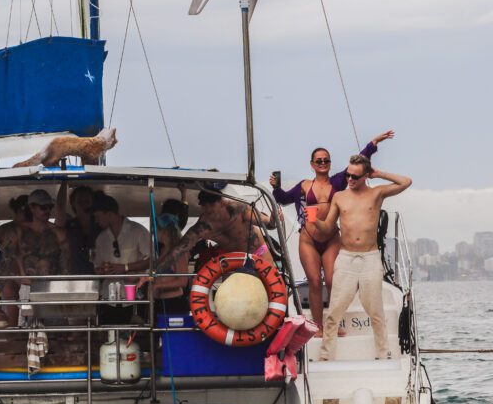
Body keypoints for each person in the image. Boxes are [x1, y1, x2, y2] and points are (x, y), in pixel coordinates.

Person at [270, 131, 394, 333]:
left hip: (331, 238)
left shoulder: (337, 181)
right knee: (315, 283)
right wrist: (275, 187)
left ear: (329, 162)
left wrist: (373, 143)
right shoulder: (304, 185)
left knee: (332, 281)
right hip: (308, 239)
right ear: (312, 164)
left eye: (326, 160)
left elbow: (359, 163)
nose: (322, 163)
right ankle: (318, 327)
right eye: (318, 160)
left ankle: (333, 324)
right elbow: (282, 199)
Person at [312, 154, 412, 361]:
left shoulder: (377, 194)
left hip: (370, 259)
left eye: (355, 176)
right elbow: (328, 227)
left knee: (375, 310)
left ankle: (383, 354)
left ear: (366, 176)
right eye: (348, 174)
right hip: (346, 258)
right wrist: (312, 221)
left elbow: (406, 182)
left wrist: (379, 173)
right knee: (333, 312)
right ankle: (326, 356)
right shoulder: (339, 196)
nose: (349, 179)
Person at [157, 190, 276, 274]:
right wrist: (155, 271)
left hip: (259, 252)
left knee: (272, 289)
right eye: (205, 207)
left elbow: (268, 224)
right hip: (236, 261)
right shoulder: (203, 226)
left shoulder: (239, 209)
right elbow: (178, 250)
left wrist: (274, 219)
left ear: (221, 202)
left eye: (211, 205)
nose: (207, 210)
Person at [92, 192, 150, 323]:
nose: (96, 221)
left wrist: (125, 268)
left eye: (98, 216)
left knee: (133, 338)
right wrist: (102, 271)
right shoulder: (101, 238)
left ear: (110, 214)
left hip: (133, 296)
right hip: (108, 297)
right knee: (110, 336)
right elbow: (97, 267)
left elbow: (152, 260)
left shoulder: (137, 231)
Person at [15, 189, 70, 278]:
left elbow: (67, 260)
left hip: (53, 285)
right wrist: (22, 277)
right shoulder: (20, 230)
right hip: (24, 284)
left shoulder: (58, 232)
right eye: (43, 207)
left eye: (50, 206)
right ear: (31, 207)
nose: (47, 210)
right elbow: (15, 257)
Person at [0, 195, 30, 326]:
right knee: (11, 301)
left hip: (30, 274)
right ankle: (13, 336)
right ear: (18, 210)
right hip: (8, 274)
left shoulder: (35, 228)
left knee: (33, 310)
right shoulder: (5, 229)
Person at [147, 212, 190, 313]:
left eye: (155, 229)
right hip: (159, 301)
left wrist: (158, 286)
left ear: (164, 230)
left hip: (173, 303)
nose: (153, 232)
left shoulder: (178, 252)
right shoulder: (162, 250)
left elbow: (183, 281)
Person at [55, 185, 102, 274]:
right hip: (74, 278)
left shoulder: (100, 226)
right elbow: (60, 208)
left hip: (99, 277)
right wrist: (64, 179)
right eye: (80, 202)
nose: (84, 204)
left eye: (87, 201)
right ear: (73, 203)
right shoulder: (68, 225)